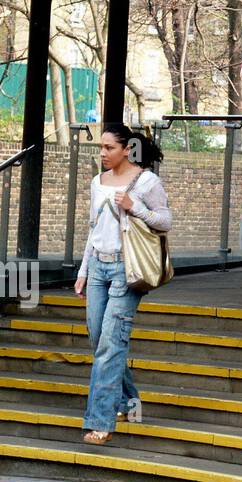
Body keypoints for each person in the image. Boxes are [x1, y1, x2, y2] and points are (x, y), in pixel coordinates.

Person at [73, 124, 171, 445]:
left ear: (127, 149)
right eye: (100, 148)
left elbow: (165, 220)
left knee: (110, 346)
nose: (102, 154)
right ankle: (130, 403)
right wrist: (84, 271)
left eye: (109, 148)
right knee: (98, 340)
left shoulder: (146, 181)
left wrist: (135, 207)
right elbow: (93, 229)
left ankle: (99, 422)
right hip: (98, 267)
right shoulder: (95, 182)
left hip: (126, 270)